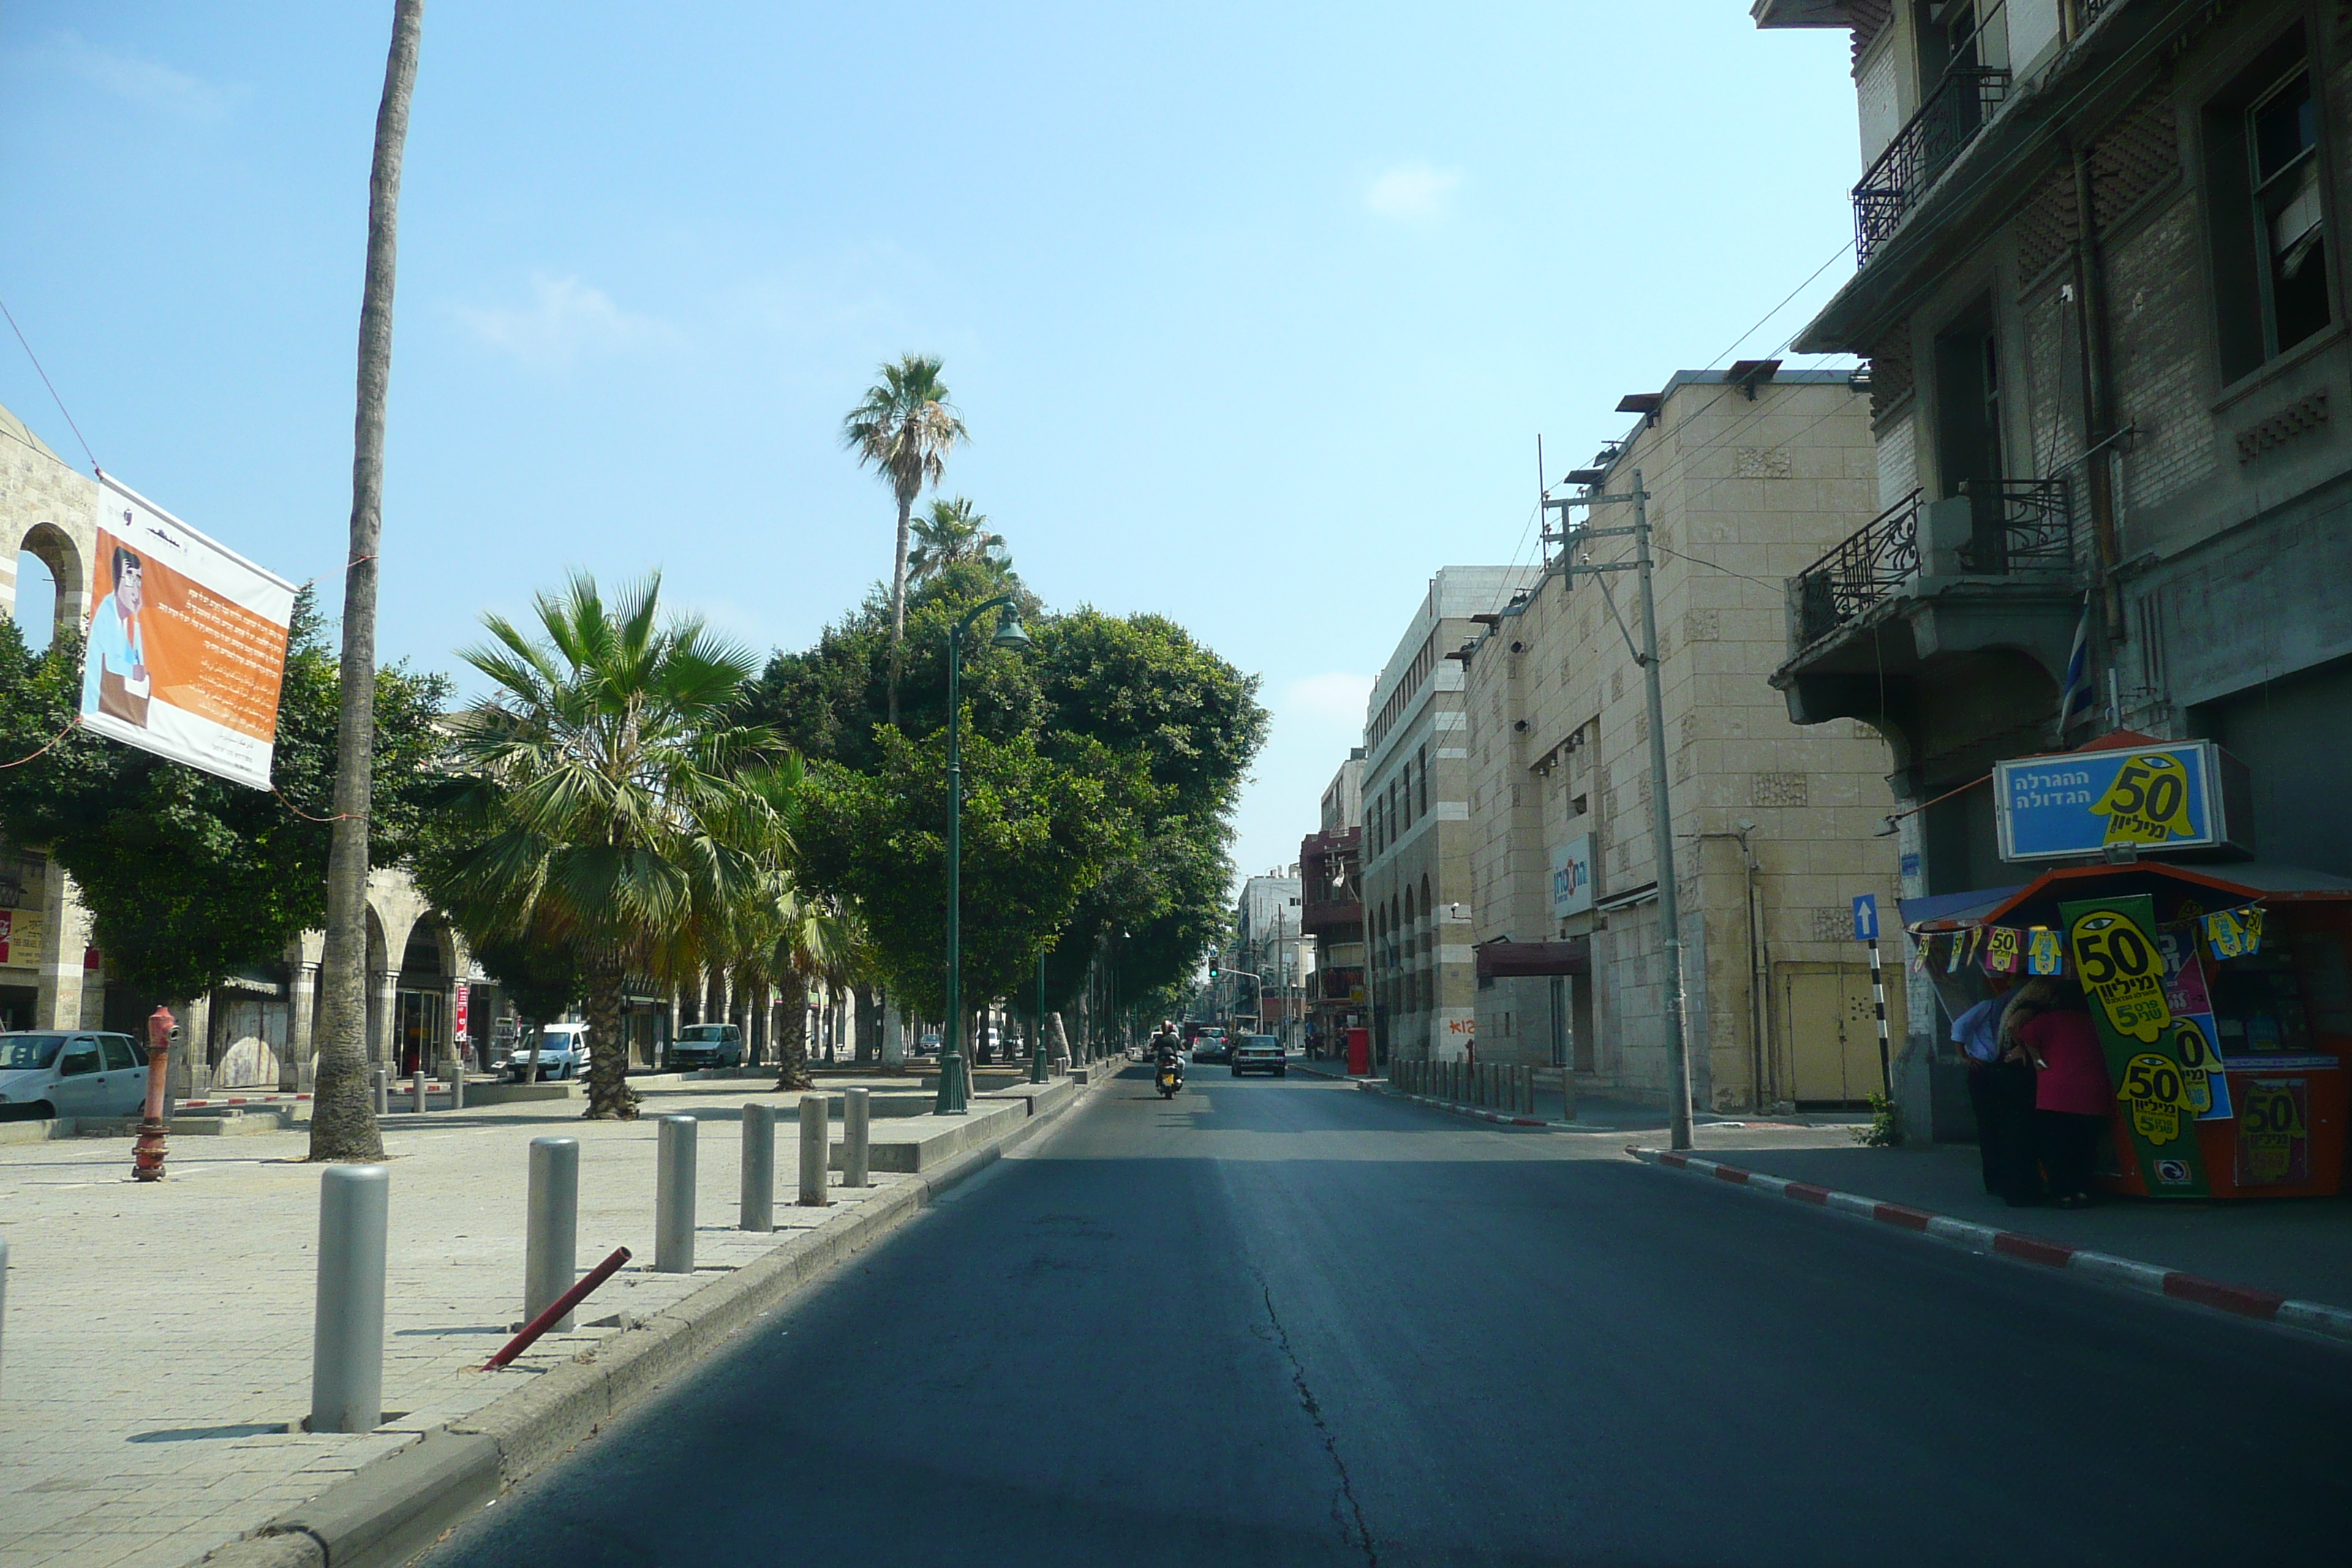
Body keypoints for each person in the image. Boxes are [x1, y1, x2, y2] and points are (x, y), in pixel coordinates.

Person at [2016, 984, 2110, 1209]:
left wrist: (2037, 1060)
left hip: (2055, 1093)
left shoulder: (2050, 1019)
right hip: (2093, 1090)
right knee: (2086, 1146)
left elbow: (2020, 1032)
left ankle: (2063, 1193)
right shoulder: (2096, 1022)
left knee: (2057, 1146)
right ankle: (2083, 1190)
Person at [1954, 980, 2035, 1199]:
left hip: (2000, 1068)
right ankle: (1995, 1180)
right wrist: (1964, 1057)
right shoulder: (1988, 1007)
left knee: (1998, 1127)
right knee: (1991, 1126)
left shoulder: (2008, 1009)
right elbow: (1959, 1026)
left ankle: (2002, 1179)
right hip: (1985, 1067)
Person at [83, 543, 151, 726]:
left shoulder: (133, 623)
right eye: (130, 579)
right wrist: (133, 670)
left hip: (125, 714)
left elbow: (140, 670)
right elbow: (107, 664)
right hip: (97, 711)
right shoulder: (106, 612)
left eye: (138, 580)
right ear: (116, 580)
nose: (135, 589)